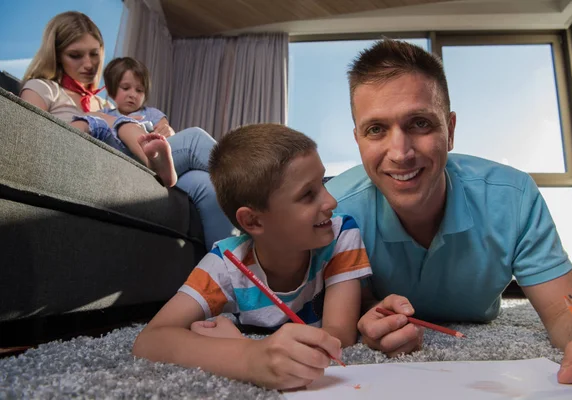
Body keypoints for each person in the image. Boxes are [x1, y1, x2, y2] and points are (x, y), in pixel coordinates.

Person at [325, 39, 572, 383]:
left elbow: (566, 311)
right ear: (358, 140)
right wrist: (363, 312)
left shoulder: (514, 197)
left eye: (420, 123)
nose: (400, 153)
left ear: (450, 130)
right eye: (376, 129)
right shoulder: (331, 210)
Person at [132, 124, 372, 389]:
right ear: (253, 221)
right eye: (308, 194)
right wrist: (248, 356)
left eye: (322, 183)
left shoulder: (341, 234)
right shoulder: (224, 263)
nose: (331, 202)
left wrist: (239, 342)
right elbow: (150, 340)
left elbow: (339, 335)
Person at [19, 11, 232, 250]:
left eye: (94, 53)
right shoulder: (43, 88)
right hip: (102, 166)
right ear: (56, 55)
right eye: (75, 56)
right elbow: (31, 138)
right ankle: (261, 188)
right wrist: (93, 121)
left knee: (204, 185)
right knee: (193, 140)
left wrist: (162, 130)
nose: (89, 64)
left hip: (130, 160)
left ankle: (222, 275)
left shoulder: (106, 104)